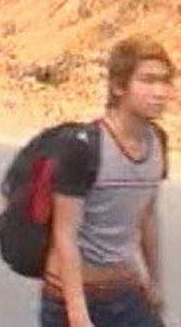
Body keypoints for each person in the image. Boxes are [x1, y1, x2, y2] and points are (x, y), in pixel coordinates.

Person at [42, 36, 173, 327]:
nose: (160, 92)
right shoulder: (85, 146)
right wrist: (77, 314)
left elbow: (147, 216)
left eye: (166, 81)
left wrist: (153, 281)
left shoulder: (158, 143)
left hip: (125, 290)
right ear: (118, 86)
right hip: (71, 295)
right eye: (148, 81)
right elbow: (65, 235)